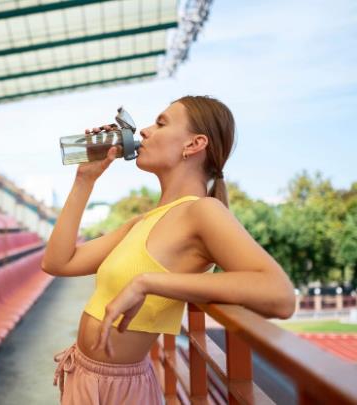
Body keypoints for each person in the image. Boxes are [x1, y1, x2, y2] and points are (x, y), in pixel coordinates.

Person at [41, 95, 296, 404]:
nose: (145, 131)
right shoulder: (143, 221)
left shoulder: (203, 212)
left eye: (161, 123)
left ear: (194, 144)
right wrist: (84, 181)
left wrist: (148, 283)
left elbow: (279, 296)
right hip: (83, 376)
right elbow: (58, 263)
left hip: (120, 392)